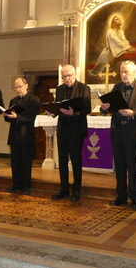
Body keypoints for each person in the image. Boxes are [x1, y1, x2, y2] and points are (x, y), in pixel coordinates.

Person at [101, 60, 136, 210]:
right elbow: (110, 107)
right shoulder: (117, 87)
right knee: (119, 165)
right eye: (122, 72)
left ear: (134, 72)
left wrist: (133, 113)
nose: (123, 75)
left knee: (132, 165)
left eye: (126, 72)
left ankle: (135, 198)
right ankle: (121, 196)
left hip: (133, 132)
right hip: (118, 131)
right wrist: (105, 108)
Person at [51, 65, 91, 202]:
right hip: (63, 128)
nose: (67, 79)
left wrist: (73, 113)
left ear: (74, 74)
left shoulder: (83, 88)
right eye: (64, 76)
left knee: (75, 160)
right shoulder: (60, 89)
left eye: (69, 76)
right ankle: (64, 188)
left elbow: (87, 109)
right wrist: (53, 111)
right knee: (62, 161)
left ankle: (76, 189)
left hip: (76, 129)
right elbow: (58, 106)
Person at [4, 77, 40, 194]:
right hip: (14, 135)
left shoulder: (34, 100)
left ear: (26, 86)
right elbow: (7, 118)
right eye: (16, 87)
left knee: (25, 161)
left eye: (20, 87)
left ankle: (26, 186)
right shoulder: (13, 101)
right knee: (15, 162)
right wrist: (7, 114)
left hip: (26, 135)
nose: (18, 89)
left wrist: (17, 117)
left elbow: (31, 117)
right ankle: (16, 185)